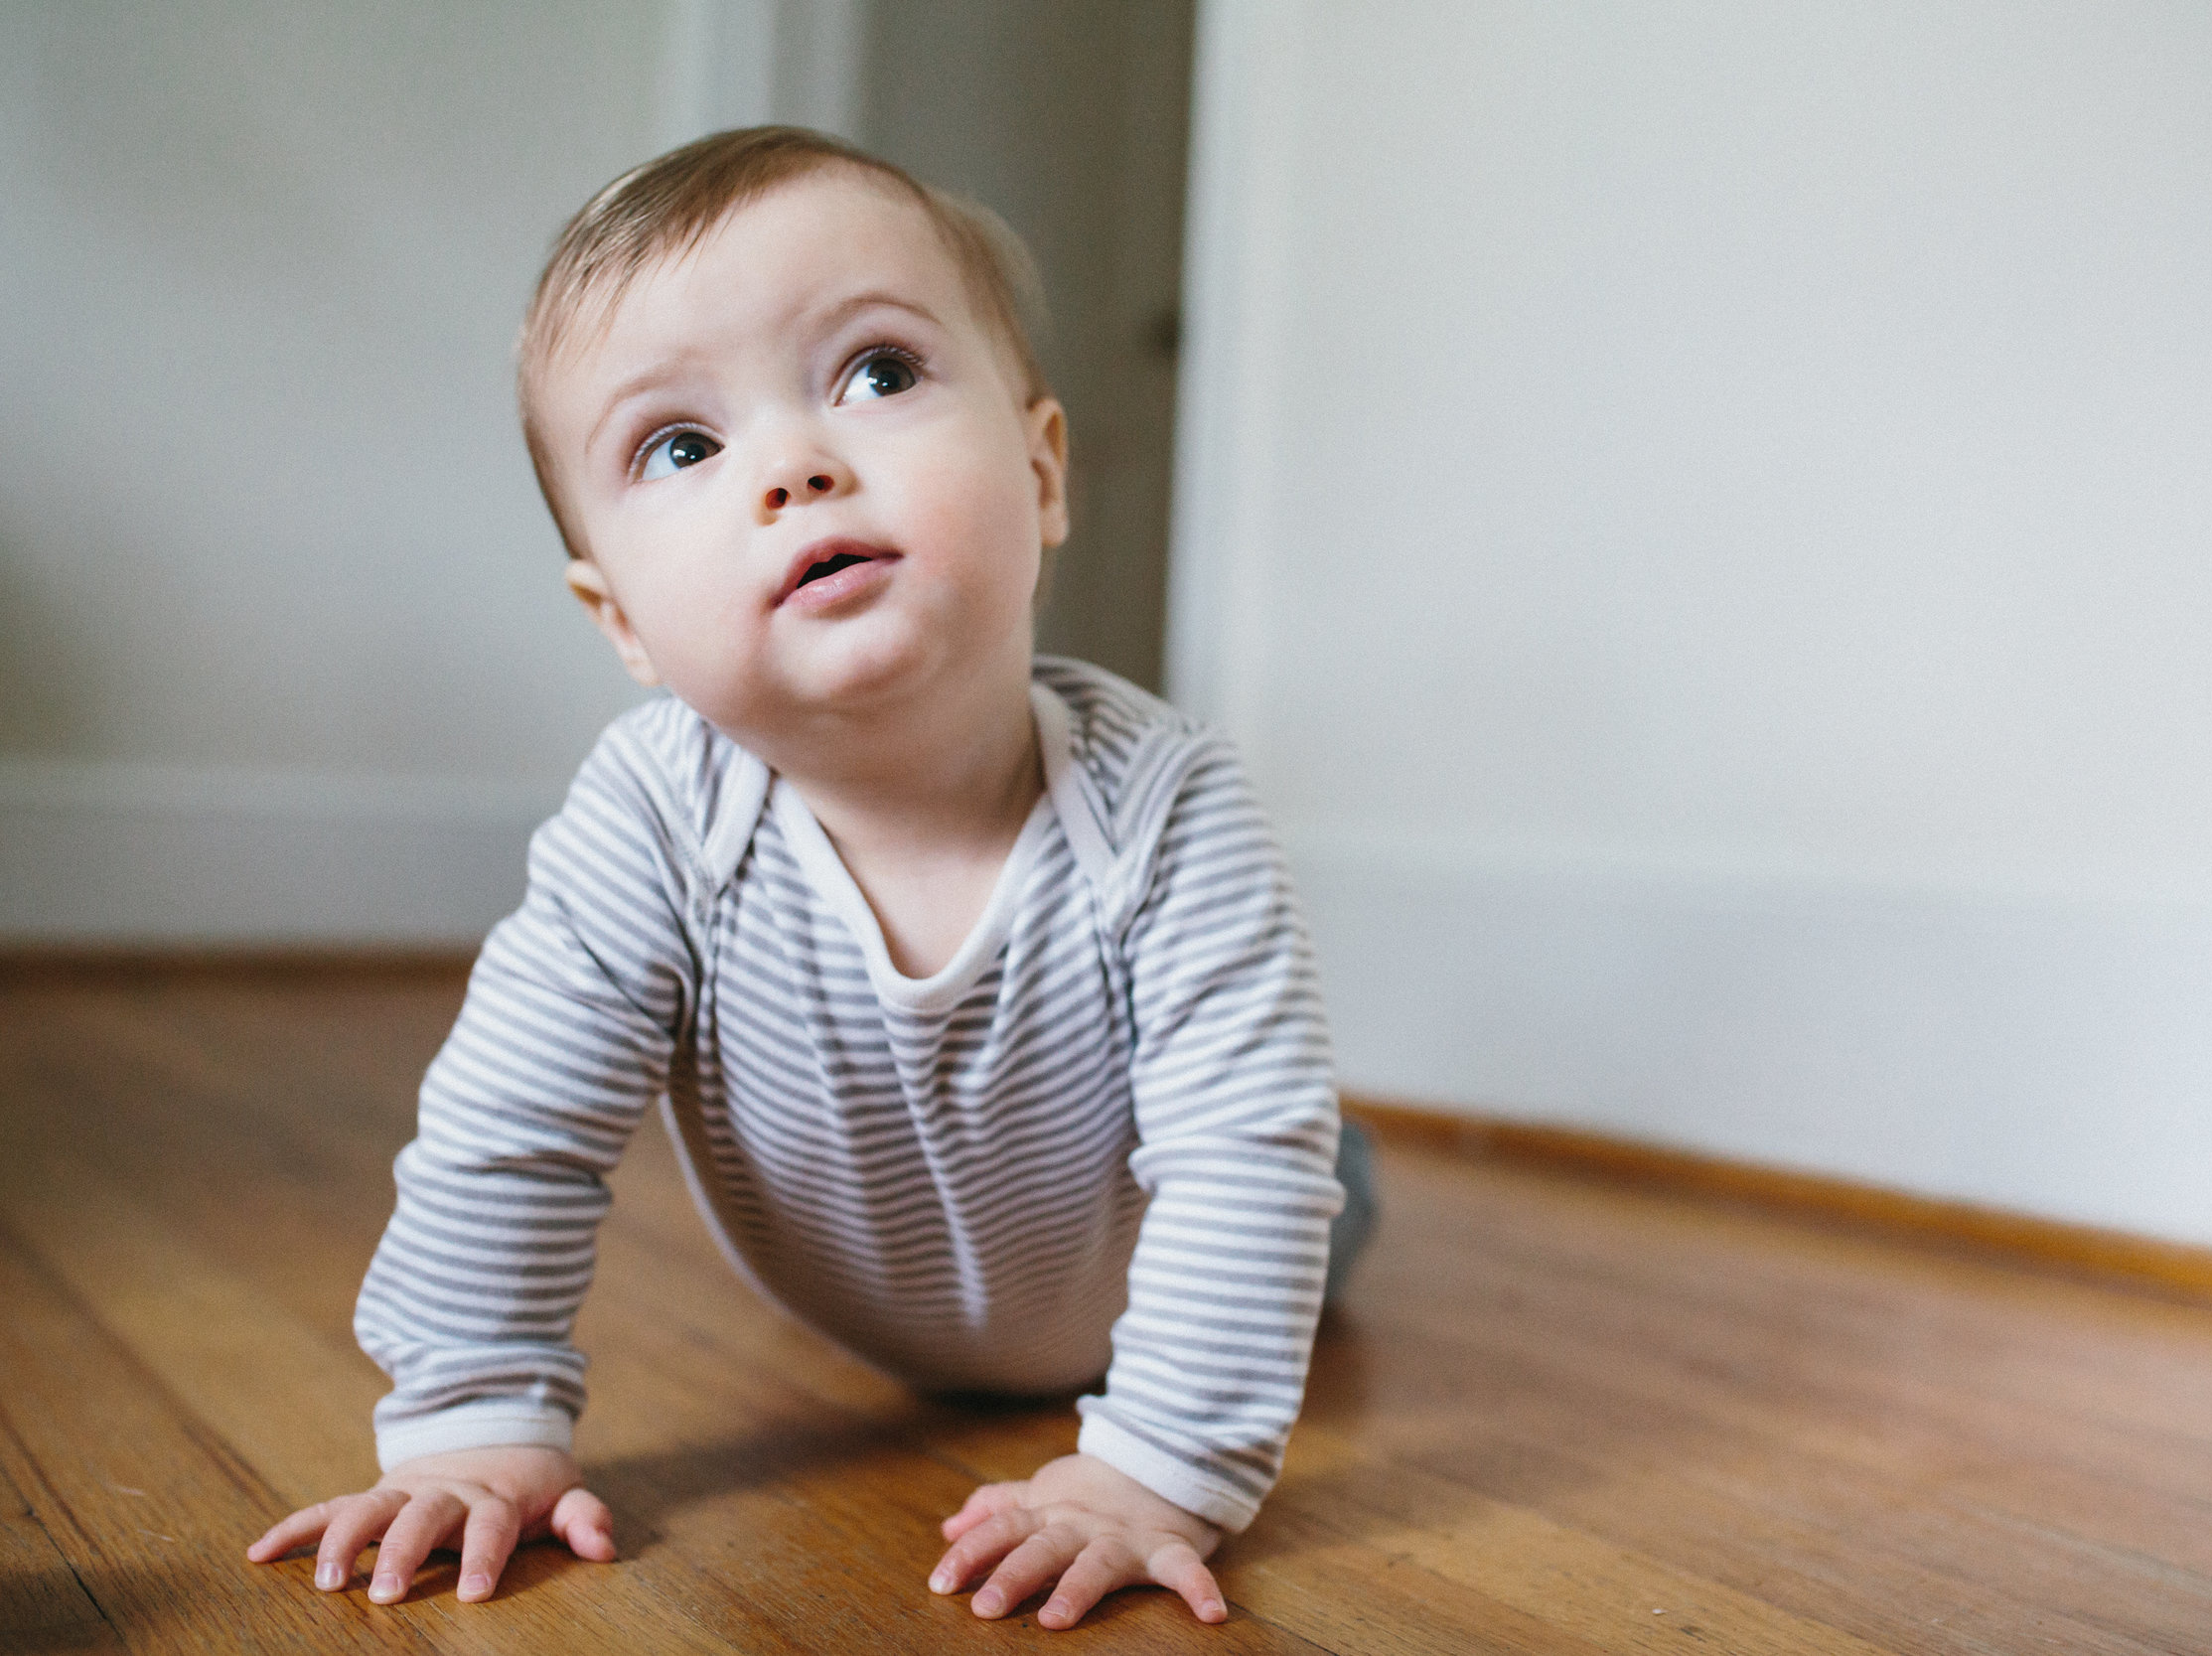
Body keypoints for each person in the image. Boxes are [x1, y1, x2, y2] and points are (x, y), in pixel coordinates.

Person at [244, 125, 1374, 1633]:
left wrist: (1155, 1469)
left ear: (1042, 472)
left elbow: (1240, 1159)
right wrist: (466, 1421)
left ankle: (1356, 1191)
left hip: (1146, 1264)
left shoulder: (1164, 808)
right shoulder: (655, 823)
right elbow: (510, 1130)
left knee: (1315, 1181)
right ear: (625, 625)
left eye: (879, 373)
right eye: (683, 448)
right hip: (885, 1319)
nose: (798, 463)